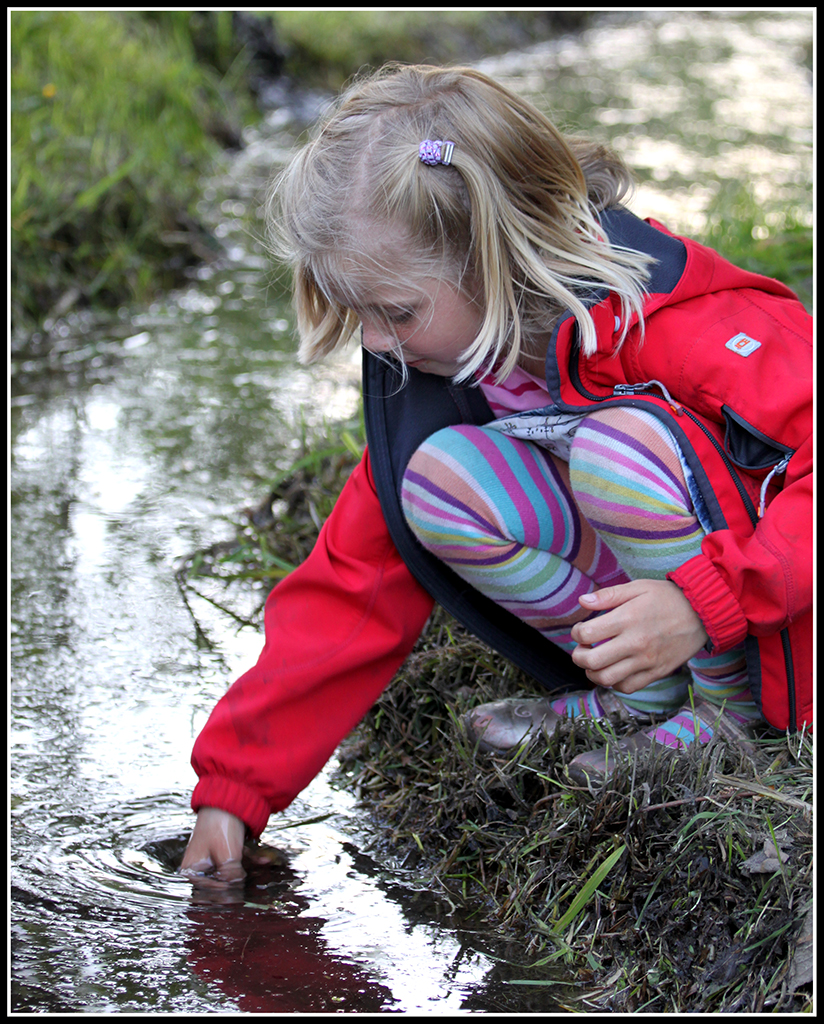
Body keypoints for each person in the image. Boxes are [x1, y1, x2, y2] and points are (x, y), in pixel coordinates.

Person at [180, 64, 812, 885]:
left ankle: (724, 720)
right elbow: (354, 581)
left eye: (396, 312)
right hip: (677, 606)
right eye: (355, 312)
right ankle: (645, 696)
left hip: (771, 626)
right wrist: (235, 789)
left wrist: (705, 600)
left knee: (615, 447)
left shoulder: (681, 323)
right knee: (435, 479)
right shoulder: (463, 362)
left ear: (502, 254)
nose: (372, 342)